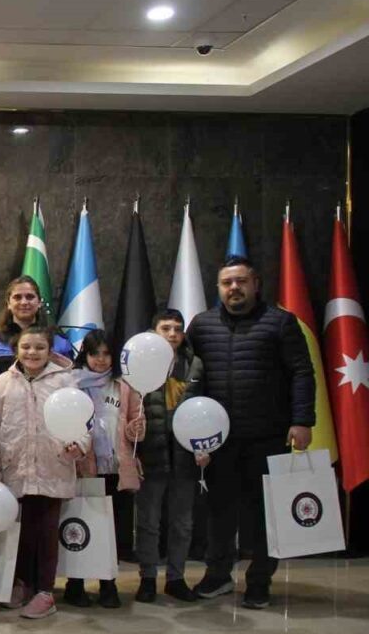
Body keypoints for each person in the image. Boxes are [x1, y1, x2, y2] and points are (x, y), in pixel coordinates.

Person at [187, 258, 314, 609]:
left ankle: (259, 581)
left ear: (255, 284)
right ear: (218, 288)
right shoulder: (201, 325)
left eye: (241, 281)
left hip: (268, 436)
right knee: (218, 510)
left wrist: (303, 420)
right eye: (227, 282)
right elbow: (188, 378)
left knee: (263, 514)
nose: (234, 288)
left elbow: (302, 373)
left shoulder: (281, 323)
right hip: (218, 440)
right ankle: (218, 576)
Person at [0, 326, 85, 620]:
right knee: (22, 531)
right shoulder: (4, 381)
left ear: (50, 350)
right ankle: (22, 584)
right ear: (17, 349)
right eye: (26, 347)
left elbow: (81, 420)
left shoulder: (65, 380)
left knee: (47, 531)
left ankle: (45, 592)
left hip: (53, 467)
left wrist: (79, 446)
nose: (32, 353)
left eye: (39, 347)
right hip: (15, 468)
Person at [65, 329, 145, 609]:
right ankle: (74, 585)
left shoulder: (124, 385)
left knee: (111, 532)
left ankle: (108, 585)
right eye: (94, 353)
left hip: (116, 469)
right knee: (81, 527)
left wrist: (137, 429)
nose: (100, 360)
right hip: (85, 468)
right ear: (84, 356)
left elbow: (137, 426)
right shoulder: (72, 384)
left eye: (106, 353)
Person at [134, 310, 202, 604]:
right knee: (148, 521)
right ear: (154, 331)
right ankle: (148, 578)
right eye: (166, 328)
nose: (173, 334)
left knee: (182, 523)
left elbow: (204, 408)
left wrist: (204, 445)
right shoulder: (139, 363)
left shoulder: (194, 364)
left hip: (186, 457)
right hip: (152, 454)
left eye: (178, 329)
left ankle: (176, 578)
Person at [0, 276, 73, 385]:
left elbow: (70, 378)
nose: (24, 302)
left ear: (39, 302)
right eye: (17, 297)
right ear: (8, 304)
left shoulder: (58, 341)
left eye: (30, 297)